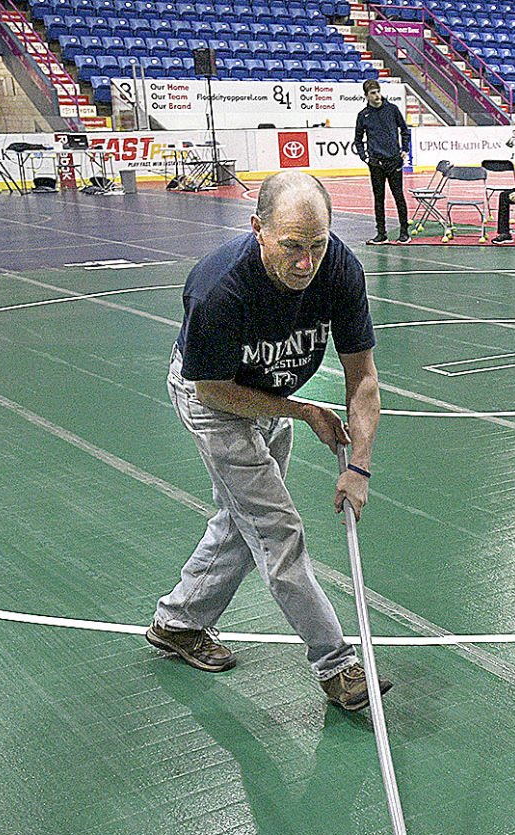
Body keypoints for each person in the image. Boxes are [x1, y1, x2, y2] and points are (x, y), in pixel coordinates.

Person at [146, 171, 389, 712]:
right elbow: (212, 389)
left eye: (318, 245)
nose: (307, 263)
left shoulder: (339, 269)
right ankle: (338, 665)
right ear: (258, 229)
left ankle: (179, 623)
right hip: (216, 400)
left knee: (243, 518)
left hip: (270, 394)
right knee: (278, 531)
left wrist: (360, 466)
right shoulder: (218, 290)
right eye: (293, 247)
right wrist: (301, 411)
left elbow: (363, 377)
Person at [352, 79, 411, 245]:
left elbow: (405, 131)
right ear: (366, 96)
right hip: (376, 163)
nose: (377, 95)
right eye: (372, 93)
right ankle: (381, 234)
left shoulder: (392, 109)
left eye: (378, 91)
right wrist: (365, 157)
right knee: (379, 199)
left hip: (394, 161)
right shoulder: (363, 115)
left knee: (399, 197)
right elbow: (358, 140)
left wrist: (404, 150)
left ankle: (404, 232)